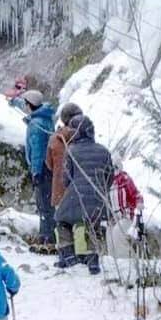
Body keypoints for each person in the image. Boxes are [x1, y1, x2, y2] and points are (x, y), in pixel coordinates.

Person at [55, 115, 113, 275]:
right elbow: (110, 177)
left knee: (62, 220)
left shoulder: (71, 151)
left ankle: (67, 254)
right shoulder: (104, 151)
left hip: (76, 195)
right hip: (98, 197)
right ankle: (92, 258)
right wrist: (101, 189)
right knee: (92, 225)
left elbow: (67, 179)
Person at [20, 90, 55, 247]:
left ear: (30, 104)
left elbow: (37, 151)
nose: (24, 106)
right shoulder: (46, 119)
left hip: (41, 168)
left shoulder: (35, 124)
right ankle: (48, 235)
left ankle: (47, 238)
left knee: (43, 204)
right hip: (50, 167)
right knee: (48, 203)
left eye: (25, 103)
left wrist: (35, 172)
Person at [106, 153, 145, 260]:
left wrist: (139, 203)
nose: (113, 169)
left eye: (115, 166)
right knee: (109, 236)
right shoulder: (107, 182)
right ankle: (114, 263)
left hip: (127, 216)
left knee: (118, 233)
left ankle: (128, 261)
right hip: (114, 218)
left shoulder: (124, 179)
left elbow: (136, 194)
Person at [46, 102, 82, 214]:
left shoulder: (54, 138)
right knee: (80, 226)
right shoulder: (83, 137)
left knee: (63, 225)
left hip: (60, 190)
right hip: (79, 190)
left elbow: (49, 163)